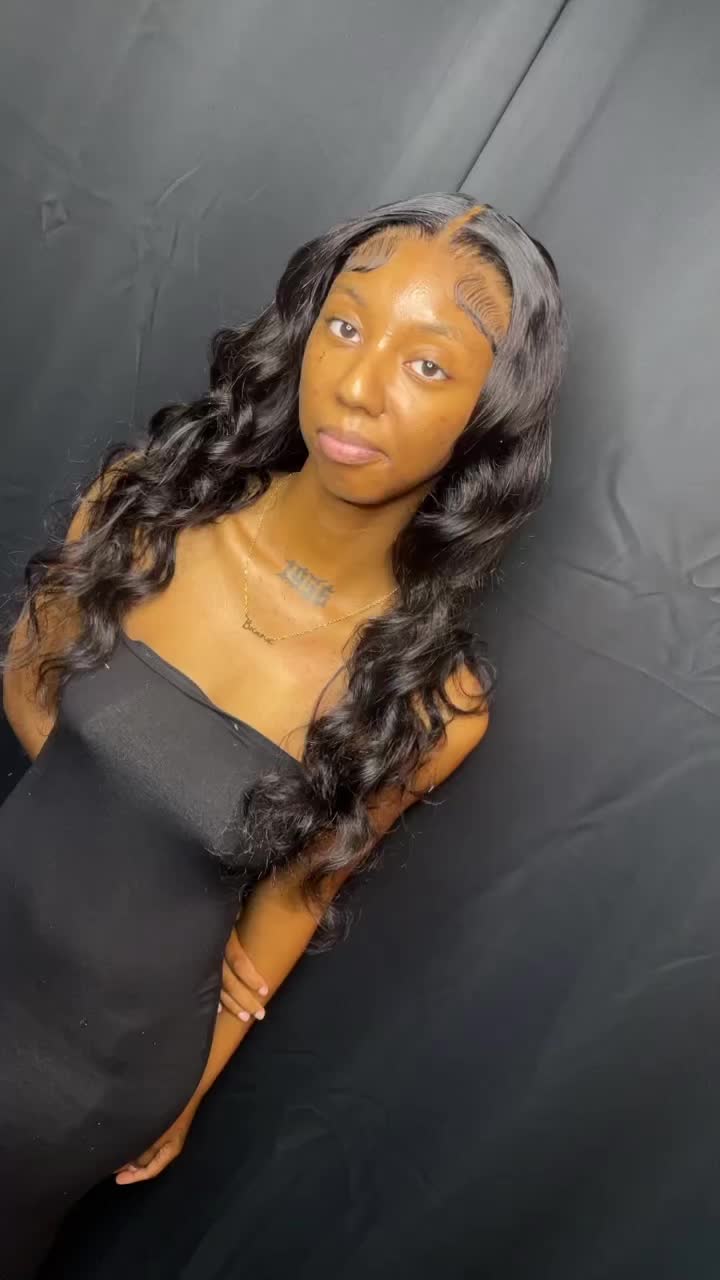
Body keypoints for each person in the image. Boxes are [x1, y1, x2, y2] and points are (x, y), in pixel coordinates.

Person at [0, 192, 567, 1278]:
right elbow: (29, 678)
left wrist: (192, 1088)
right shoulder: (146, 508)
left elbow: (295, 900)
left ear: (490, 413)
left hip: (95, 1075)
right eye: (347, 325)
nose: (359, 382)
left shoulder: (427, 702)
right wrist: (139, 826)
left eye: (429, 363)